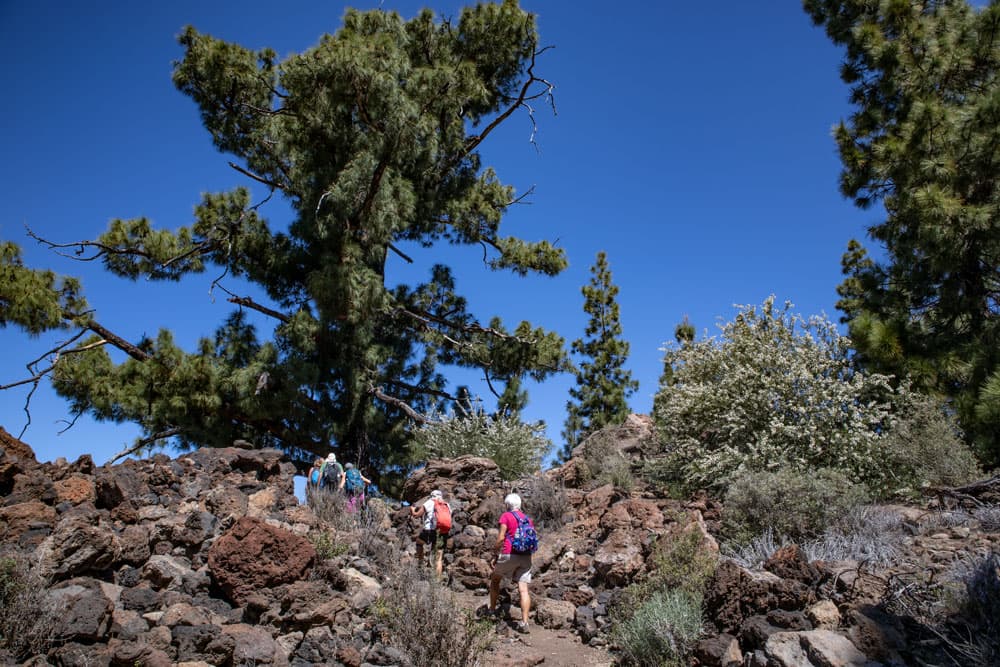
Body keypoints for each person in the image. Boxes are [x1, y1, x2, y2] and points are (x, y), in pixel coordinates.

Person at [483, 493, 534, 634]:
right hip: (526, 556)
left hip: (509, 554)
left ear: (507, 505)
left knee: (495, 580)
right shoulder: (527, 519)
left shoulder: (506, 516)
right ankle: (524, 623)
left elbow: (500, 538)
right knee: (523, 589)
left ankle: (492, 611)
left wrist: (494, 553)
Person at [410, 489, 448, 576]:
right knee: (439, 559)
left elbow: (416, 515)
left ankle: (420, 563)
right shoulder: (446, 504)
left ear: (432, 496)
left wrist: (412, 510)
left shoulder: (430, 502)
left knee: (419, 542)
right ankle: (437, 583)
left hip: (430, 530)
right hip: (443, 532)